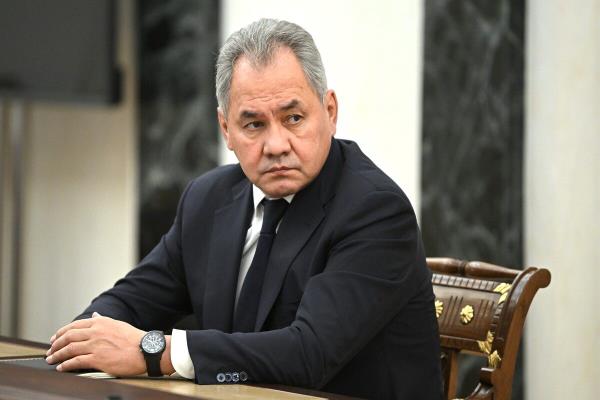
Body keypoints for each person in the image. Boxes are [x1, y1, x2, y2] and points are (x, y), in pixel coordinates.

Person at [46, 18, 442, 399]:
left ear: (330, 111)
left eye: (294, 118)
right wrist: (84, 340)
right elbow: (132, 302)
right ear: (226, 129)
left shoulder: (375, 211)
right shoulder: (208, 198)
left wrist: (155, 352)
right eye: (254, 125)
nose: (276, 145)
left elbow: (308, 353)